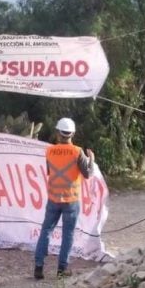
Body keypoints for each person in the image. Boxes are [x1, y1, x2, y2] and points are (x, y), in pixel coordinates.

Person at [34, 117, 95, 279]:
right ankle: (62, 269)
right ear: (72, 133)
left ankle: (38, 267)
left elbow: (49, 171)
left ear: (57, 133)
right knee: (68, 234)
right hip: (71, 200)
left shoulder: (49, 151)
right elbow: (87, 174)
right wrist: (92, 160)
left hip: (53, 198)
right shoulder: (77, 151)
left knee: (46, 230)